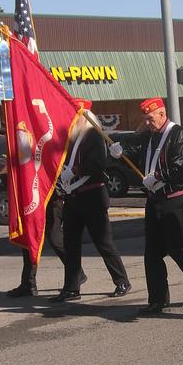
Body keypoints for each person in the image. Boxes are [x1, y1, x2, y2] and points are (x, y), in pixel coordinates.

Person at [109, 97, 183, 314]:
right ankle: (157, 300)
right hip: (154, 199)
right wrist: (120, 154)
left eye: (150, 118)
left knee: (177, 247)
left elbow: (181, 166)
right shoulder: (149, 136)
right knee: (152, 252)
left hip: (174, 199)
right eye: (145, 119)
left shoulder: (178, 135)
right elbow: (137, 157)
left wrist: (158, 176)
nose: (147, 122)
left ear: (162, 113)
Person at [52, 119, 131, 302]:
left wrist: (75, 171)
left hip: (92, 197)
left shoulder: (94, 135)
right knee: (71, 244)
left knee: (103, 242)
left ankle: (122, 281)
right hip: (73, 197)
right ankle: (71, 287)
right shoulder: (72, 138)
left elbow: (97, 165)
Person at [6, 187, 69, 298]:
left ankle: (75, 272)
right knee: (29, 237)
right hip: (33, 193)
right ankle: (28, 283)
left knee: (54, 238)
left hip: (51, 194)